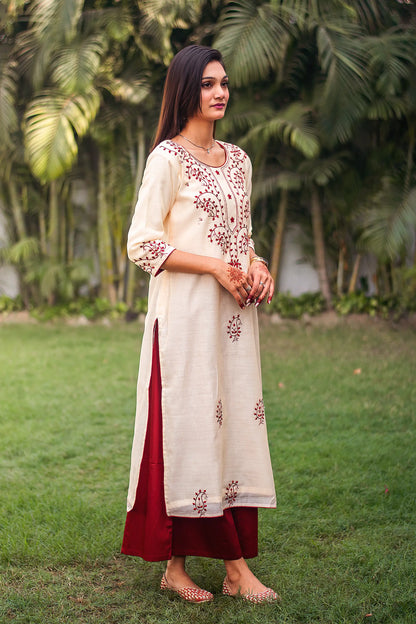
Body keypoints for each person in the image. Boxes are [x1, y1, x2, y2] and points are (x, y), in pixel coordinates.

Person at [121, 44, 278, 604]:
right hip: (185, 318)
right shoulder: (167, 159)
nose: (220, 93)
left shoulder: (239, 160)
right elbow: (142, 242)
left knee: (230, 426)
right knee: (185, 429)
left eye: (225, 83)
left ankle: (209, 565)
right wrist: (213, 265)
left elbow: (243, 236)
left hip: (233, 322)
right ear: (187, 90)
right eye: (209, 83)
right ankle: (202, 566)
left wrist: (258, 267)